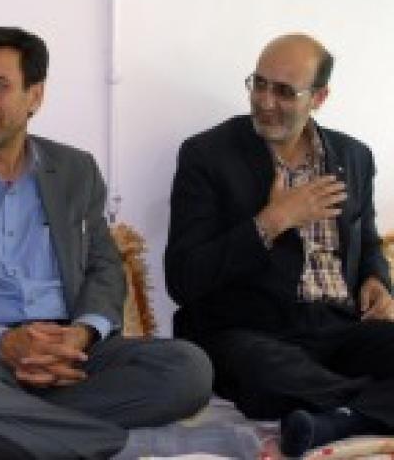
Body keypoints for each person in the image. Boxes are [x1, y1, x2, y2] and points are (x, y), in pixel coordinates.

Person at [0, 26, 212, 459]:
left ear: (35, 95)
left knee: (188, 369)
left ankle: (18, 424)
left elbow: (104, 267)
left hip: (71, 351)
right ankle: (123, 448)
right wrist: (3, 342)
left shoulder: (76, 170)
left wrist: (81, 334)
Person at [165, 33, 394, 457]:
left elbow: (367, 242)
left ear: (319, 97)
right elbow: (183, 279)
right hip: (250, 333)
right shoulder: (207, 155)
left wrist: (377, 280)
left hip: (340, 330)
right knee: (264, 374)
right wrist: (271, 222)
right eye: (259, 84)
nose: (265, 101)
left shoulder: (354, 156)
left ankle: (342, 416)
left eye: (285, 92)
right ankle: (368, 407)